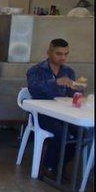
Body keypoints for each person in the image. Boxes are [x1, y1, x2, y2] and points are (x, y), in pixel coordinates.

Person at [26, 38, 87, 178]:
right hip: (42, 114)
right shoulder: (36, 70)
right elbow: (34, 90)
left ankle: (61, 164)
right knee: (62, 134)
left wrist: (78, 90)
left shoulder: (69, 71)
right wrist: (56, 82)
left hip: (63, 113)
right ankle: (49, 166)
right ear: (49, 52)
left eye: (66, 54)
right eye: (59, 54)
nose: (63, 58)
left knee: (81, 133)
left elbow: (72, 95)